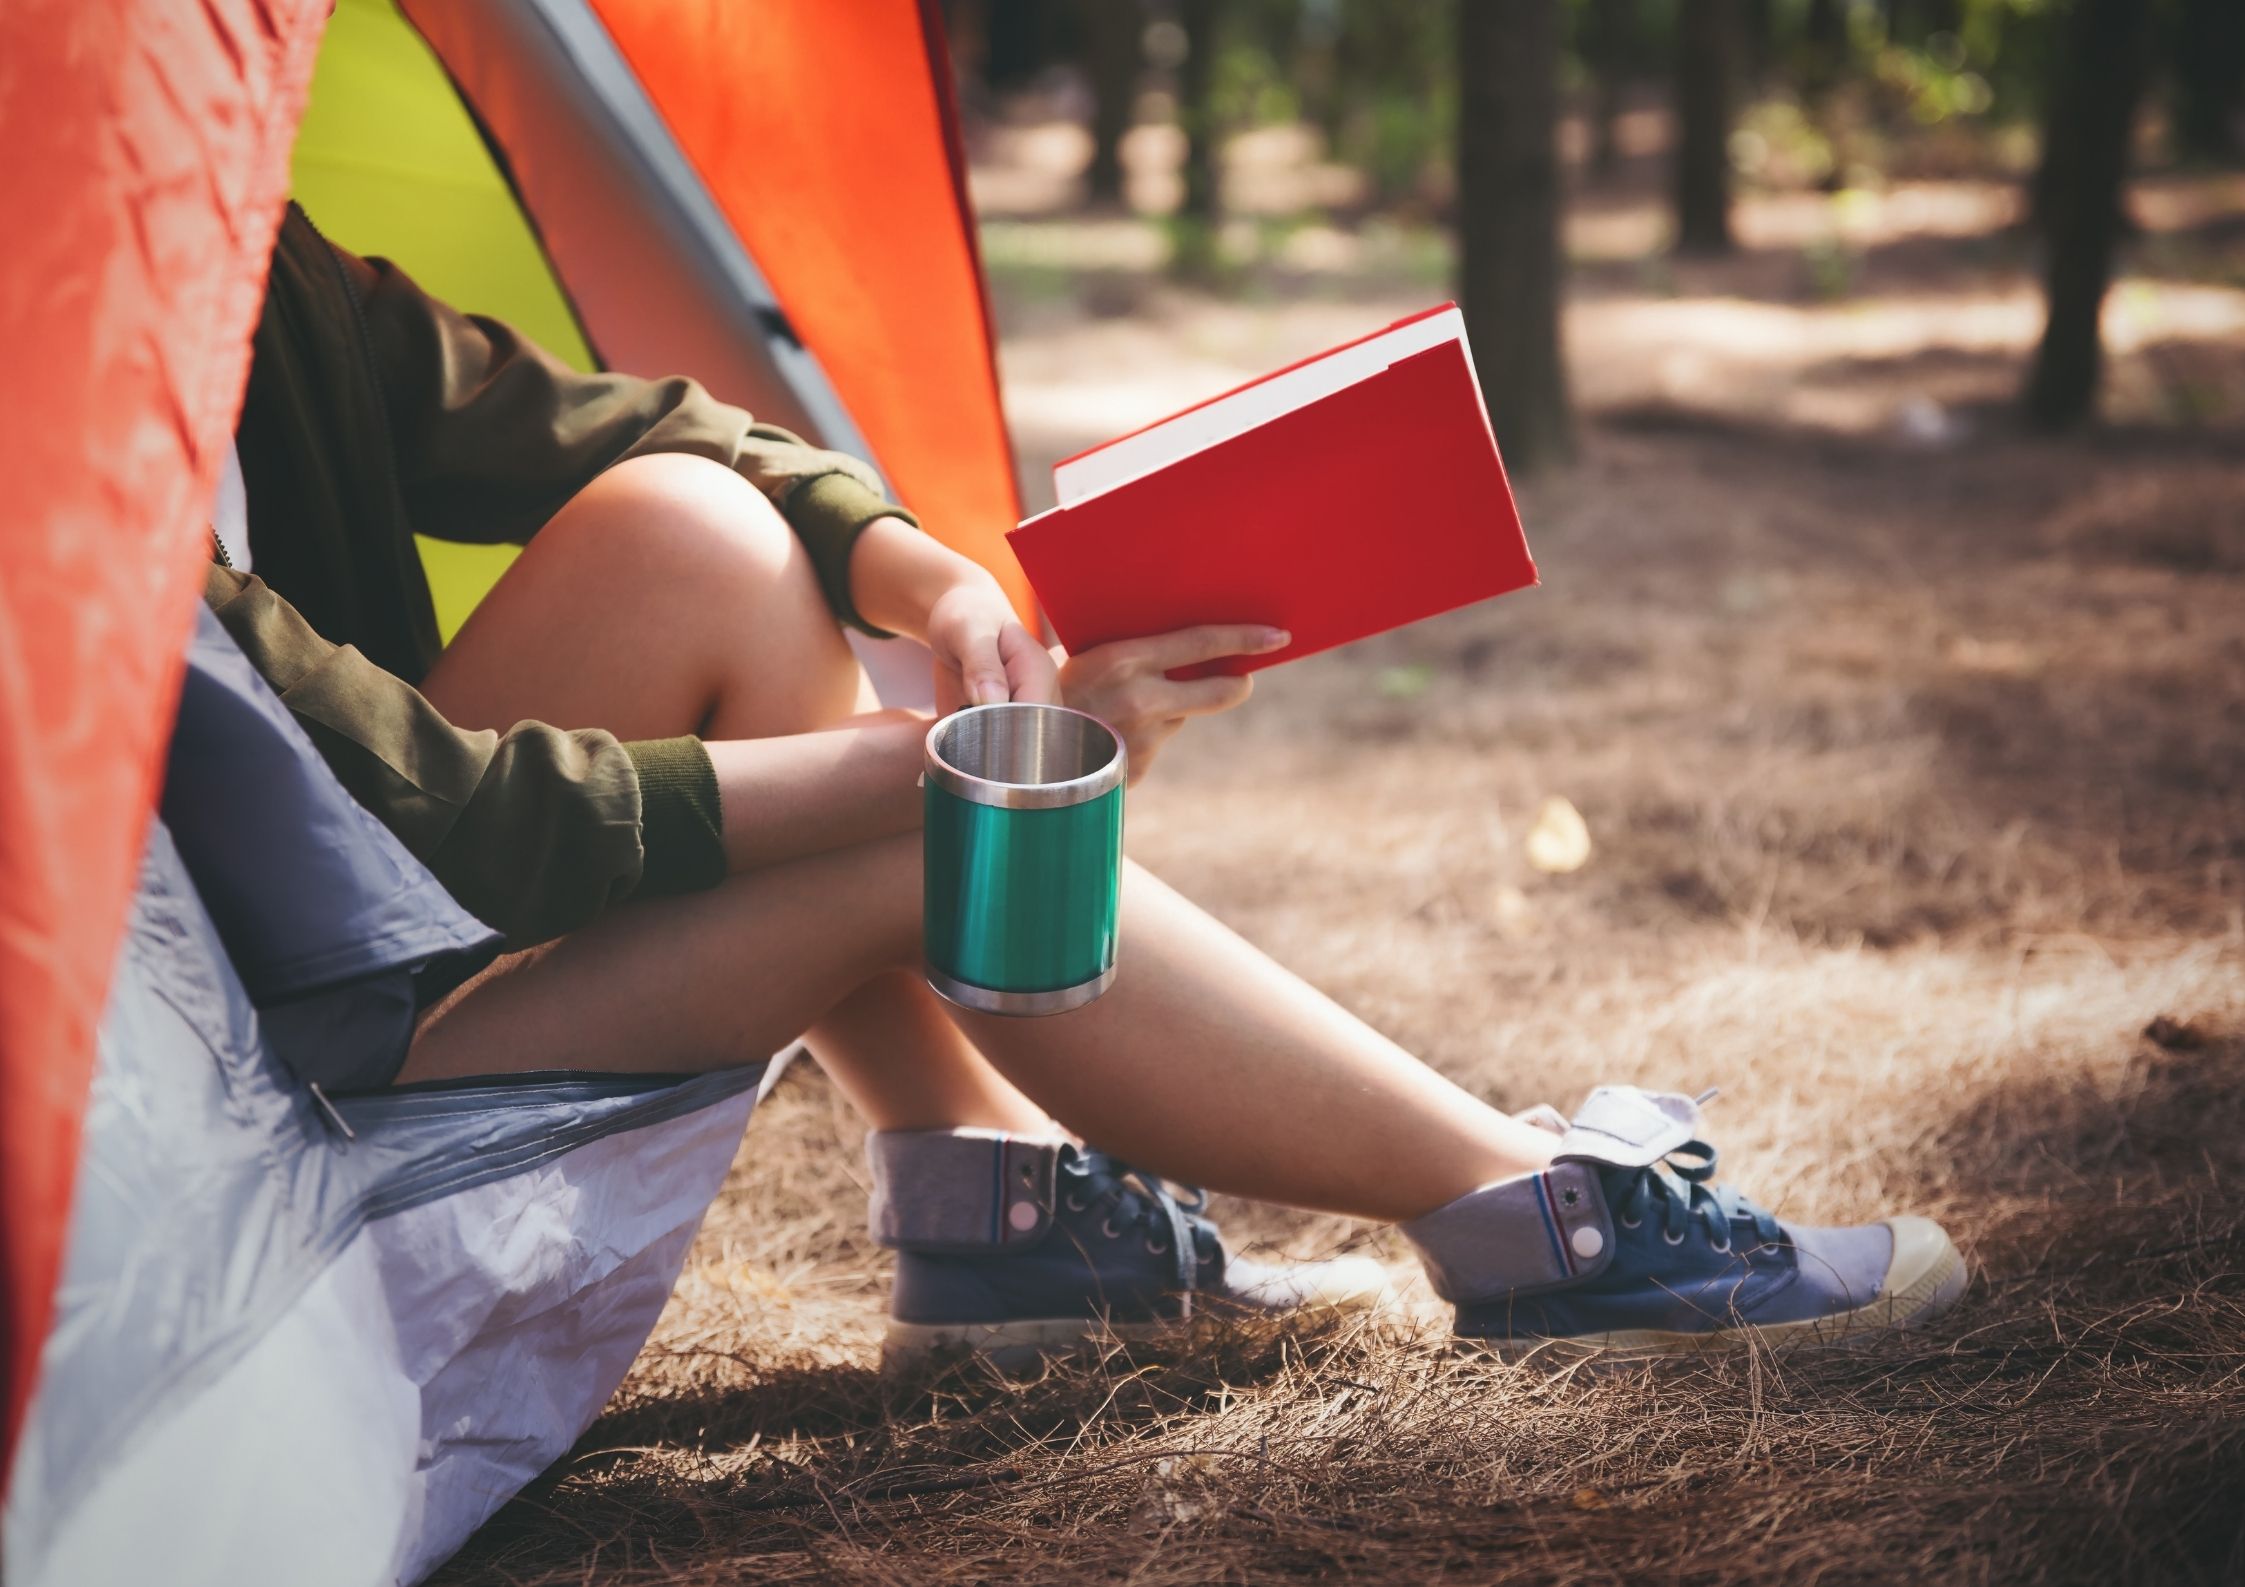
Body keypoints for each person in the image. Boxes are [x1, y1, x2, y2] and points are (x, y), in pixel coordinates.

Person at [205, 204, 1968, 1365]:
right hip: (294, 1076)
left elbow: (640, 428)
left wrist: (924, 577)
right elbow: (456, 811)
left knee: (705, 533)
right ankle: (1533, 1217)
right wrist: (962, 767)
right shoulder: (43, 394)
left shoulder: (236, 258)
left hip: (377, 934)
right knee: (916, 849)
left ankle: (995, 1203)